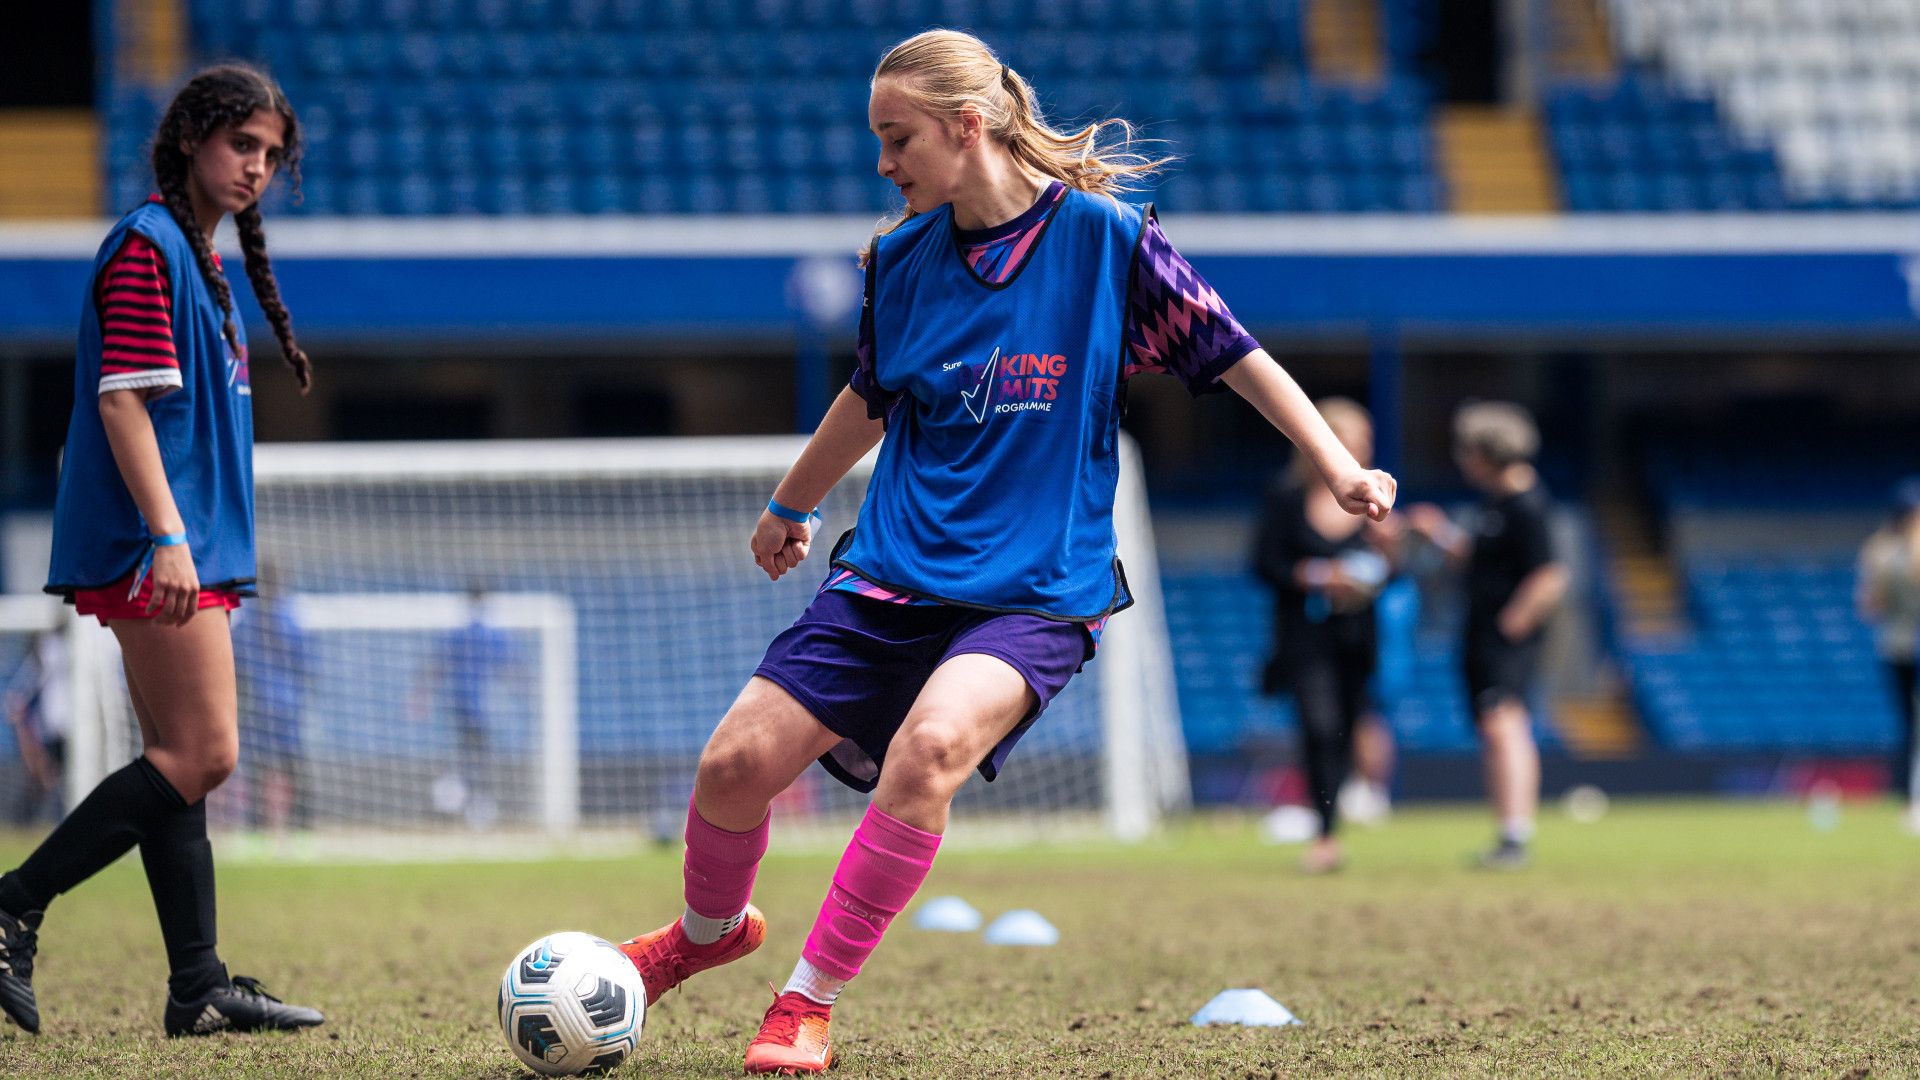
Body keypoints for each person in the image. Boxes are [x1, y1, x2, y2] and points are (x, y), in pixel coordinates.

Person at [615, 30, 1397, 1075]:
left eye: (898, 141)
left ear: (966, 126)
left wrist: (1337, 464)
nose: (884, 166)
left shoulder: (1108, 242)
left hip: (1037, 586)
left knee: (931, 749)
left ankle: (806, 1001)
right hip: (896, 568)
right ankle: (704, 939)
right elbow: (871, 395)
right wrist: (790, 502)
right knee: (733, 767)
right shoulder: (899, 260)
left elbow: (1232, 350)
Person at [5, 65, 324, 1037]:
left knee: (176, 758)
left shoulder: (199, 259)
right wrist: (169, 538)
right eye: (241, 146)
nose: (256, 167)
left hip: (184, 545)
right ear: (190, 139)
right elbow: (120, 403)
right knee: (206, 753)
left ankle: (199, 986)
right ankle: (15, 901)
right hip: (162, 547)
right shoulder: (147, 247)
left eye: (270, 155)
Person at [1406, 402, 1566, 870]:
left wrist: (1512, 623)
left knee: (1504, 724)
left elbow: (1550, 575)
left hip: (1503, 638)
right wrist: (1437, 534)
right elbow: (1474, 560)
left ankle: (1516, 834)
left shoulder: (1528, 503)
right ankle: (1507, 831)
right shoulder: (1492, 505)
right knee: (1493, 729)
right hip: (1481, 632)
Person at [1253, 398, 1397, 873]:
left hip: (1356, 634)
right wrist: (1320, 577)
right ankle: (1326, 834)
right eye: (1357, 439)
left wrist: (1388, 557)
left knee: (1346, 729)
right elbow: (1264, 564)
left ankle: (1332, 826)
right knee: (1318, 726)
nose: (1364, 450)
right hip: (1303, 634)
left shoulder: (1374, 501)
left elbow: (1394, 574)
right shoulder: (1286, 496)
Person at [1856, 476, 1920, 833]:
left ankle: (1910, 801)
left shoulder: (1876, 549)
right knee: (1915, 729)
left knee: (1909, 728)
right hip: (1911, 645)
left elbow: (1869, 606)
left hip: (1892, 646)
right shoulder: (1912, 548)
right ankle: (1914, 802)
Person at [229, 564, 311, 836]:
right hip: (272, 705)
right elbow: (307, 666)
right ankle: (283, 827)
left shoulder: (276, 620)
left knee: (283, 765)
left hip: (271, 704)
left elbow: (235, 663)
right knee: (274, 765)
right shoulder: (287, 620)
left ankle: (294, 826)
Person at [4, 629, 70, 826]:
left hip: (70, 726)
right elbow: (17, 699)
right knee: (48, 777)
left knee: (56, 778)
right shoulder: (48, 650)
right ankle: (27, 819)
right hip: (52, 728)